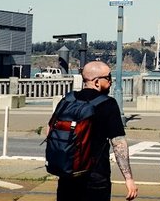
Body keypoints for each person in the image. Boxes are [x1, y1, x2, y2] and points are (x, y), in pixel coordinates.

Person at [56, 61, 138, 201]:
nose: (111, 81)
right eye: (108, 77)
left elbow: (50, 131)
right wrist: (129, 179)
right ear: (96, 81)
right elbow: (119, 144)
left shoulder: (67, 100)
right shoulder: (108, 104)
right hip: (96, 177)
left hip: (67, 175)